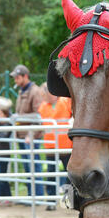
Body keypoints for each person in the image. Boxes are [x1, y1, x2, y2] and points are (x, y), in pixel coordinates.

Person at [10, 64, 44, 199]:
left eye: (17, 77)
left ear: (25, 76)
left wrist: (31, 134)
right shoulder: (21, 91)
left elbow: (38, 116)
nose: (15, 80)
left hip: (31, 136)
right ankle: (31, 196)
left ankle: (38, 196)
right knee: (27, 168)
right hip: (21, 135)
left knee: (34, 167)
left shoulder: (35, 91)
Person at [38, 83, 72, 211]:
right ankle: (51, 201)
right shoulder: (43, 107)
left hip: (66, 146)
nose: (43, 97)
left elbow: (73, 117)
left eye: (44, 94)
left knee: (69, 175)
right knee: (51, 174)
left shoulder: (65, 102)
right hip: (50, 147)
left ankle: (67, 201)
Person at [0, 97, 13, 206]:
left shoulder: (7, 125)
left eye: (0, 114)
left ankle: (5, 197)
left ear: (5, 115)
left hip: (4, 154)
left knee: (2, 176)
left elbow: (4, 134)